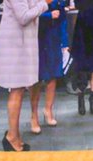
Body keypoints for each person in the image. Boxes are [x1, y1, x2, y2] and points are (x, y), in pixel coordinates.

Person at [0, 0, 51, 151]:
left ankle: (13, 134)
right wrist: (45, 3)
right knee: (17, 90)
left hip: (21, 45)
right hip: (15, 46)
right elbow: (23, 17)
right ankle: (11, 137)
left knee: (19, 90)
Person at [28, 0, 67, 134]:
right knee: (36, 78)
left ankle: (48, 110)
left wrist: (65, 41)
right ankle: (34, 116)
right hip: (37, 37)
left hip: (54, 37)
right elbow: (26, 14)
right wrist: (48, 15)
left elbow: (62, 18)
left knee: (53, 75)